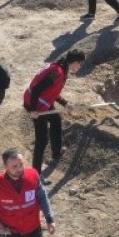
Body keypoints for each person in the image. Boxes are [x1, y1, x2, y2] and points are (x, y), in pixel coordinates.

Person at [23, 50, 87, 178]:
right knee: (42, 140)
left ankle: (56, 153)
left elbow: (52, 90)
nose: (80, 67)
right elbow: (36, 90)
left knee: (56, 120)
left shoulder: (61, 68)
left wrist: (65, 103)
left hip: (43, 102)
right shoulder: (57, 73)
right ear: (74, 62)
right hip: (36, 104)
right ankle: (36, 176)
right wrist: (33, 110)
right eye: (80, 64)